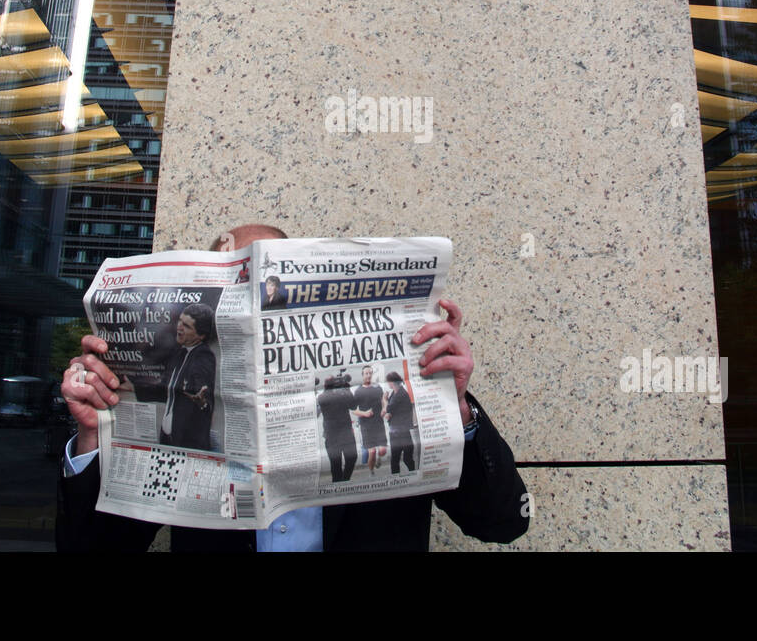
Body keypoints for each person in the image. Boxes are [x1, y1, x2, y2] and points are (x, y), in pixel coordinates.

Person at [57, 223, 529, 552]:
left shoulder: (401, 385)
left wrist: (457, 404)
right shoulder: (182, 370)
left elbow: (504, 521)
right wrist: (93, 438)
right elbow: (89, 549)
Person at [157, 304, 216, 450]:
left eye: (187, 326)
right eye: (180, 321)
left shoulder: (203, 356)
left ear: (201, 335)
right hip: (167, 437)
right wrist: (133, 387)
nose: (179, 327)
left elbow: (203, 390)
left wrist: (202, 402)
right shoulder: (180, 353)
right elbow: (164, 388)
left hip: (187, 443)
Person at [316, 375, 359, 482]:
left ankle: (340, 483)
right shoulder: (342, 395)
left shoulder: (321, 397)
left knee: (336, 465)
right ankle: (345, 480)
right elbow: (353, 406)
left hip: (333, 435)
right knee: (351, 459)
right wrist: (347, 389)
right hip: (343, 434)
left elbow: (316, 413)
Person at [352, 365, 388, 473]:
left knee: (382, 450)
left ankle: (379, 458)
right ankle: (371, 471)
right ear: (363, 375)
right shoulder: (358, 391)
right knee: (371, 452)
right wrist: (364, 413)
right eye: (366, 373)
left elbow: (384, 400)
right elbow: (353, 410)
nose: (368, 375)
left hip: (378, 424)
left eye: (370, 373)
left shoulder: (378, 388)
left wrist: (384, 408)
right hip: (366, 426)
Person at [384, 371, 416, 475]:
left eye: (388, 382)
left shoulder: (401, 394)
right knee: (396, 460)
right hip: (396, 431)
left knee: (406, 459)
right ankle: (397, 479)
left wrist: (384, 399)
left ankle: (414, 474)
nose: (387, 384)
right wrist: (389, 415)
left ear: (392, 382)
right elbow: (393, 410)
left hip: (401, 432)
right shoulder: (395, 393)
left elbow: (388, 407)